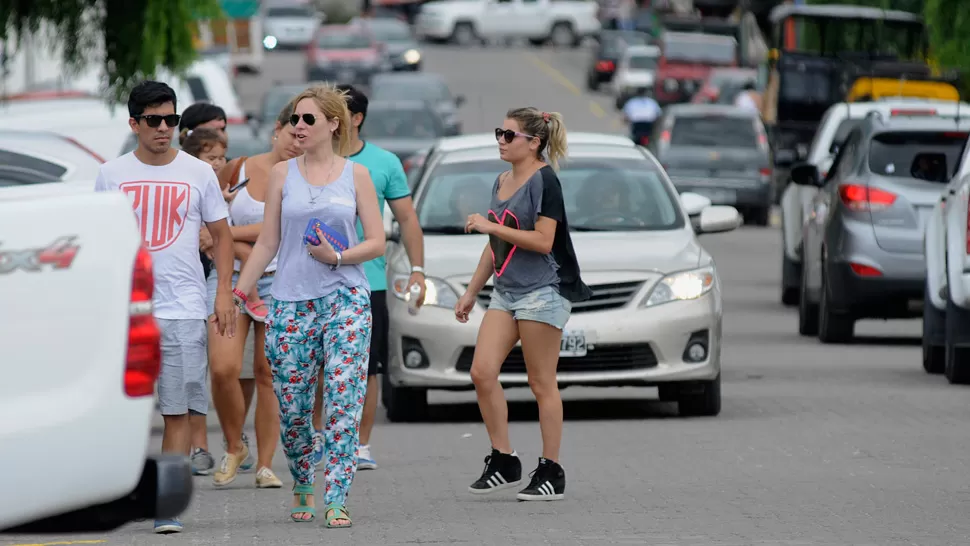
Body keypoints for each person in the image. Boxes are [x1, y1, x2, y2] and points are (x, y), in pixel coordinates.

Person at [232, 84, 386, 527]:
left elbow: (375, 241)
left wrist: (338, 257)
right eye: (295, 119)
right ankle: (303, 478)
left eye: (308, 120)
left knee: (343, 399)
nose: (298, 127)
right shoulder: (283, 174)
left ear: (334, 124)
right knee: (295, 406)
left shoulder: (356, 176)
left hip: (346, 299)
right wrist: (240, 292)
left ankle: (336, 495)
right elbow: (268, 240)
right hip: (290, 301)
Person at [95, 81, 237, 534]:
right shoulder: (110, 174)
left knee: (176, 409)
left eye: (171, 120)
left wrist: (222, 294)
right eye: (153, 120)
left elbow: (223, 235)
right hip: (129, 310)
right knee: (125, 410)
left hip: (183, 306)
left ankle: (166, 504)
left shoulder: (197, 172)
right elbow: (99, 242)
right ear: (134, 124)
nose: (163, 129)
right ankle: (116, 491)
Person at [455, 108, 591, 502]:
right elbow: (494, 245)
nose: (500, 139)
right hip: (506, 290)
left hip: (543, 290)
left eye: (509, 135)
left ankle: (551, 471)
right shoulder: (501, 180)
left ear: (534, 142)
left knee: (540, 382)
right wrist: (470, 291)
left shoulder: (545, 180)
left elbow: (544, 241)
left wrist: (491, 225)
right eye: (499, 132)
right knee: (482, 372)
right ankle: (504, 459)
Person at [309, 83, 426, 472]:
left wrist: (419, 271)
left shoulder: (384, 163)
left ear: (355, 119)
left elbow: (407, 220)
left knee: (366, 366)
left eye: (337, 113)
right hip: (313, 280)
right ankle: (320, 437)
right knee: (319, 366)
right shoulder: (307, 159)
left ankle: (360, 444)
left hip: (367, 282)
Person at [200, 101, 305, 490]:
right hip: (232, 279)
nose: (297, 141)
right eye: (291, 132)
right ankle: (233, 445)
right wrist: (225, 240)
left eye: (303, 134)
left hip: (280, 282)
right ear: (276, 130)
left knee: (267, 374)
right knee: (224, 367)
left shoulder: (303, 177)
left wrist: (227, 236)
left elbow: (276, 229)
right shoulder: (238, 168)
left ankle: (265, 464)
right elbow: (210, 218)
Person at [179, 102, 231, 476]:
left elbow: (225, 238)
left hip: (206, 285)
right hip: (174, 287)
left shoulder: (222, 188)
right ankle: (188, 444)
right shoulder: (184, 180)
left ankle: (207, 445)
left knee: (203, 369)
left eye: (222, 157)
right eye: (211, 156)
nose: (218, 163)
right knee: (179, 372)